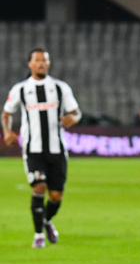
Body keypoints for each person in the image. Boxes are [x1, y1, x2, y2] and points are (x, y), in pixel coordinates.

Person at [2, 48, 81, 248]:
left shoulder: (60, 87)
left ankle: (45, 220)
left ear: (49, 63)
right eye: (37, 60)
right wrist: (7, 132)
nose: (41, 64)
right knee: (38, 187)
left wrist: (74, 117)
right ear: (30, 64)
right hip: (33, 149)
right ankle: (38, 235)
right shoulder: (20, 89)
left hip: (57, 149)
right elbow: (6, 113)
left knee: (56, 196)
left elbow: (76, 111)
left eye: (44, 60)